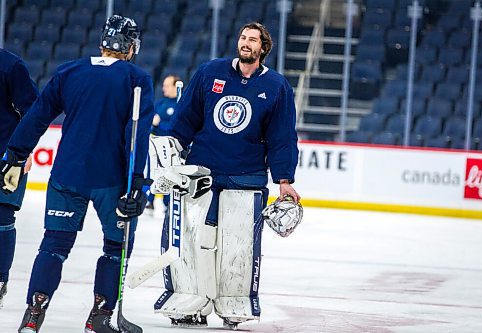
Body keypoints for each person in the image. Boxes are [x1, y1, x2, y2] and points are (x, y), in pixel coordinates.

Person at [0, 15, 154, 333]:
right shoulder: (137, 79)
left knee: (53, 245)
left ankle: (32, 318)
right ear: (131, 47)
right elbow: (136, 136)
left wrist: (15, 156)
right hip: (111, 180)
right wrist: (138, 182)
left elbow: (37, 117)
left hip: (66, 175)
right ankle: (98, 318)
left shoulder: (69, 71)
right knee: (116, 248)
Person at [153, 22, 300, 329]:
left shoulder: (276, 87)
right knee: (189, 241)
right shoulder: (210, 72)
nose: (246, 43)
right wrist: (171, 152)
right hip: (200, 173)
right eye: (243, 38)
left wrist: (284, 181)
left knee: (238, 248)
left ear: (263, 48)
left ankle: (235, 305)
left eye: (253, 40)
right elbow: (186, 118)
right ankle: (186, 300)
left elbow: (282, 137)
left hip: (245, 178)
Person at [0, 48, 39, 309]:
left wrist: (23, 152)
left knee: (2, 219)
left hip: (6, 158)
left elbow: (34, 111)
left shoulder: (10, 65)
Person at [145, 74, 181, 213]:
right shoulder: (159, 103)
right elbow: (150, 122)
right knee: (153, 172)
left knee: (170, 174)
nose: (164, 88)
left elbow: (175, 126)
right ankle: (150, 200)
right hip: (155, 143)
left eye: (167, 85)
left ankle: (168, 203)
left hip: (172, 145)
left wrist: (160, 124)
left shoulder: (180, 104)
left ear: (175, 86)